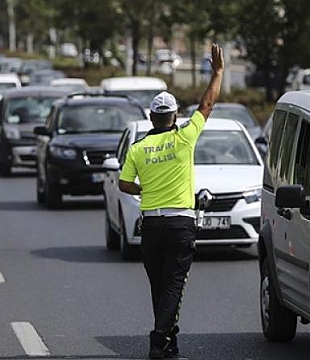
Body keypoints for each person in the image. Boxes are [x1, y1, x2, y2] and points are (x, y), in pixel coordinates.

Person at [118, 44, 224, 359]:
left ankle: (168, 341)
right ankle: (158, 339)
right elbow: (207, 103)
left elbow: (124, 184)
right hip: (180, 223)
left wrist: (144, 190)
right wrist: (217, 72)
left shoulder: (138, 147)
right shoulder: (184, 137)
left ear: (152, 117)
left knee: (159, 286)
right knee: (174, 285)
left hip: (150, 224)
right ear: (175, 116)